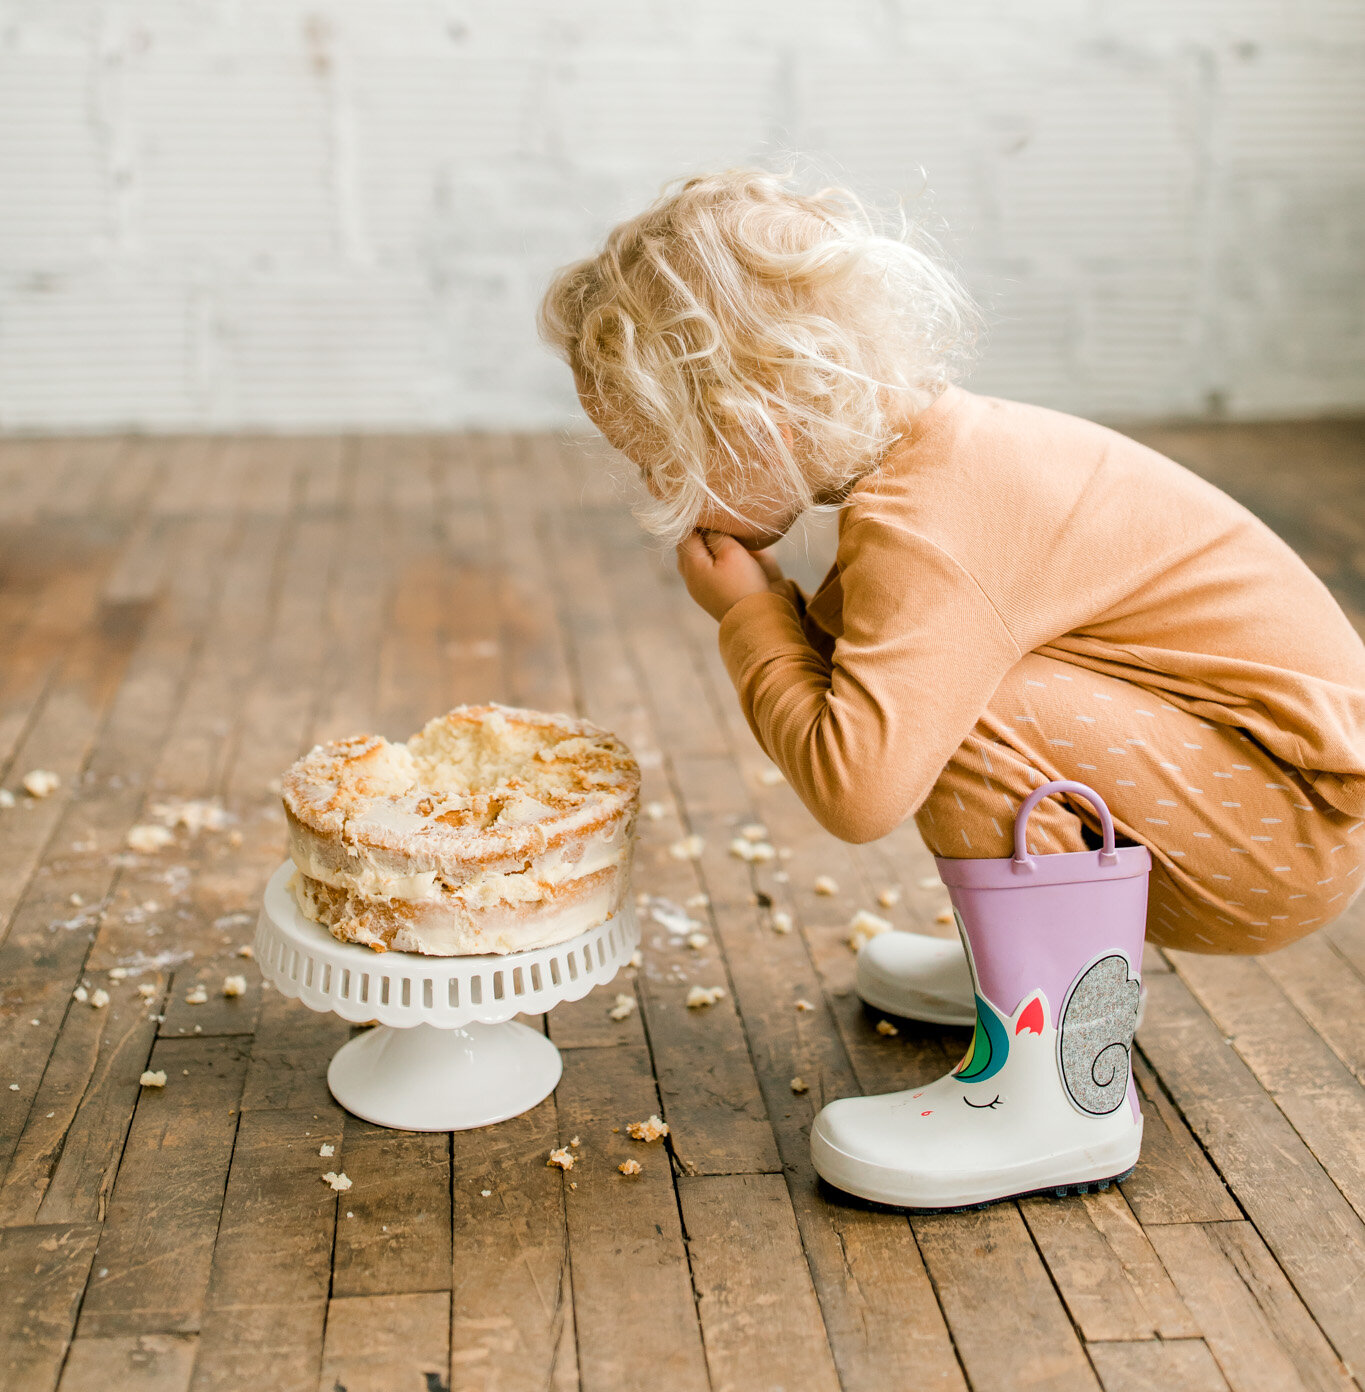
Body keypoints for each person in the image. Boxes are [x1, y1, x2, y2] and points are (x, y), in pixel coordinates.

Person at [539, 168, 1365, 1205]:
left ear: (762, 420)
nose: (662, 498)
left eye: (665, 460)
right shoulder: (939, 461)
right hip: (1267, 787)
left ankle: (1056, 1094)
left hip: (1285, 830)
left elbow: (858, 786)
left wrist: (752, 618)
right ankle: (1021, 975)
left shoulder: (928, 527)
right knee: (923, 674)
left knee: (964, 707)